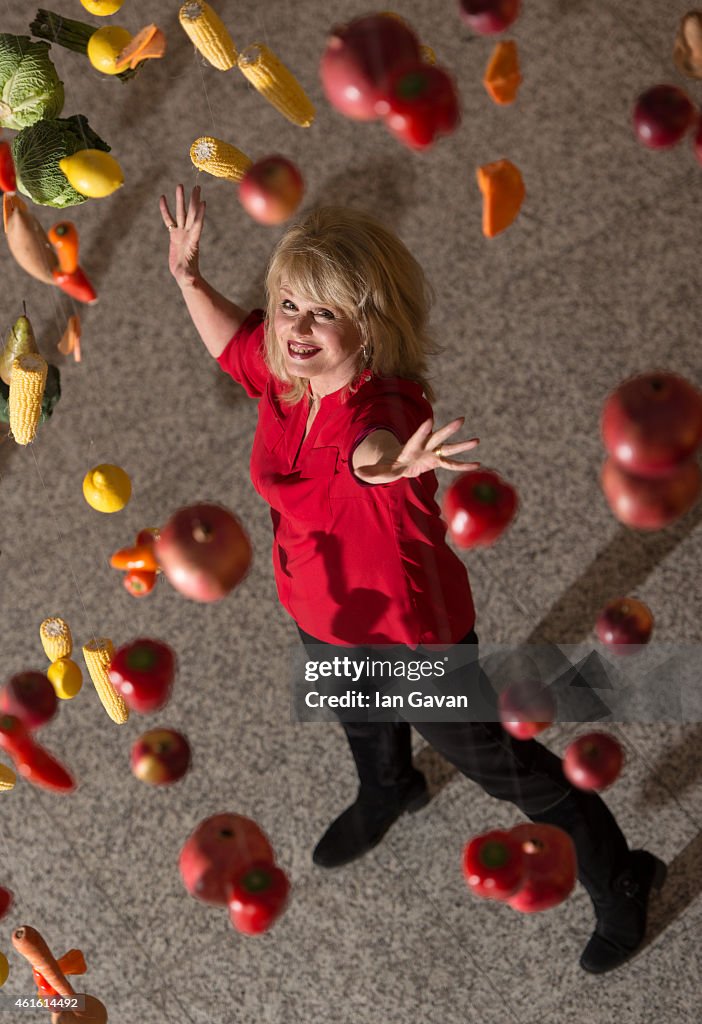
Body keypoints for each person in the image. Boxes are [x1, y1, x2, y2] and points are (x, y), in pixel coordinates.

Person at [159, 184, 666, 974]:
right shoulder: (287, 375)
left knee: (507, 767)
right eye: (290, 302)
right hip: (319, 606)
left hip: (409, 639)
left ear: (371, 324)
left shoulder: (382, 406)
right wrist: (190, 278)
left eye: (324, 313)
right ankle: (389, 788)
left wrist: (393, 467)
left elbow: (374, 454)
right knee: (358, 718)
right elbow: (237, 347)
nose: (297, 327)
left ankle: (622, 871)